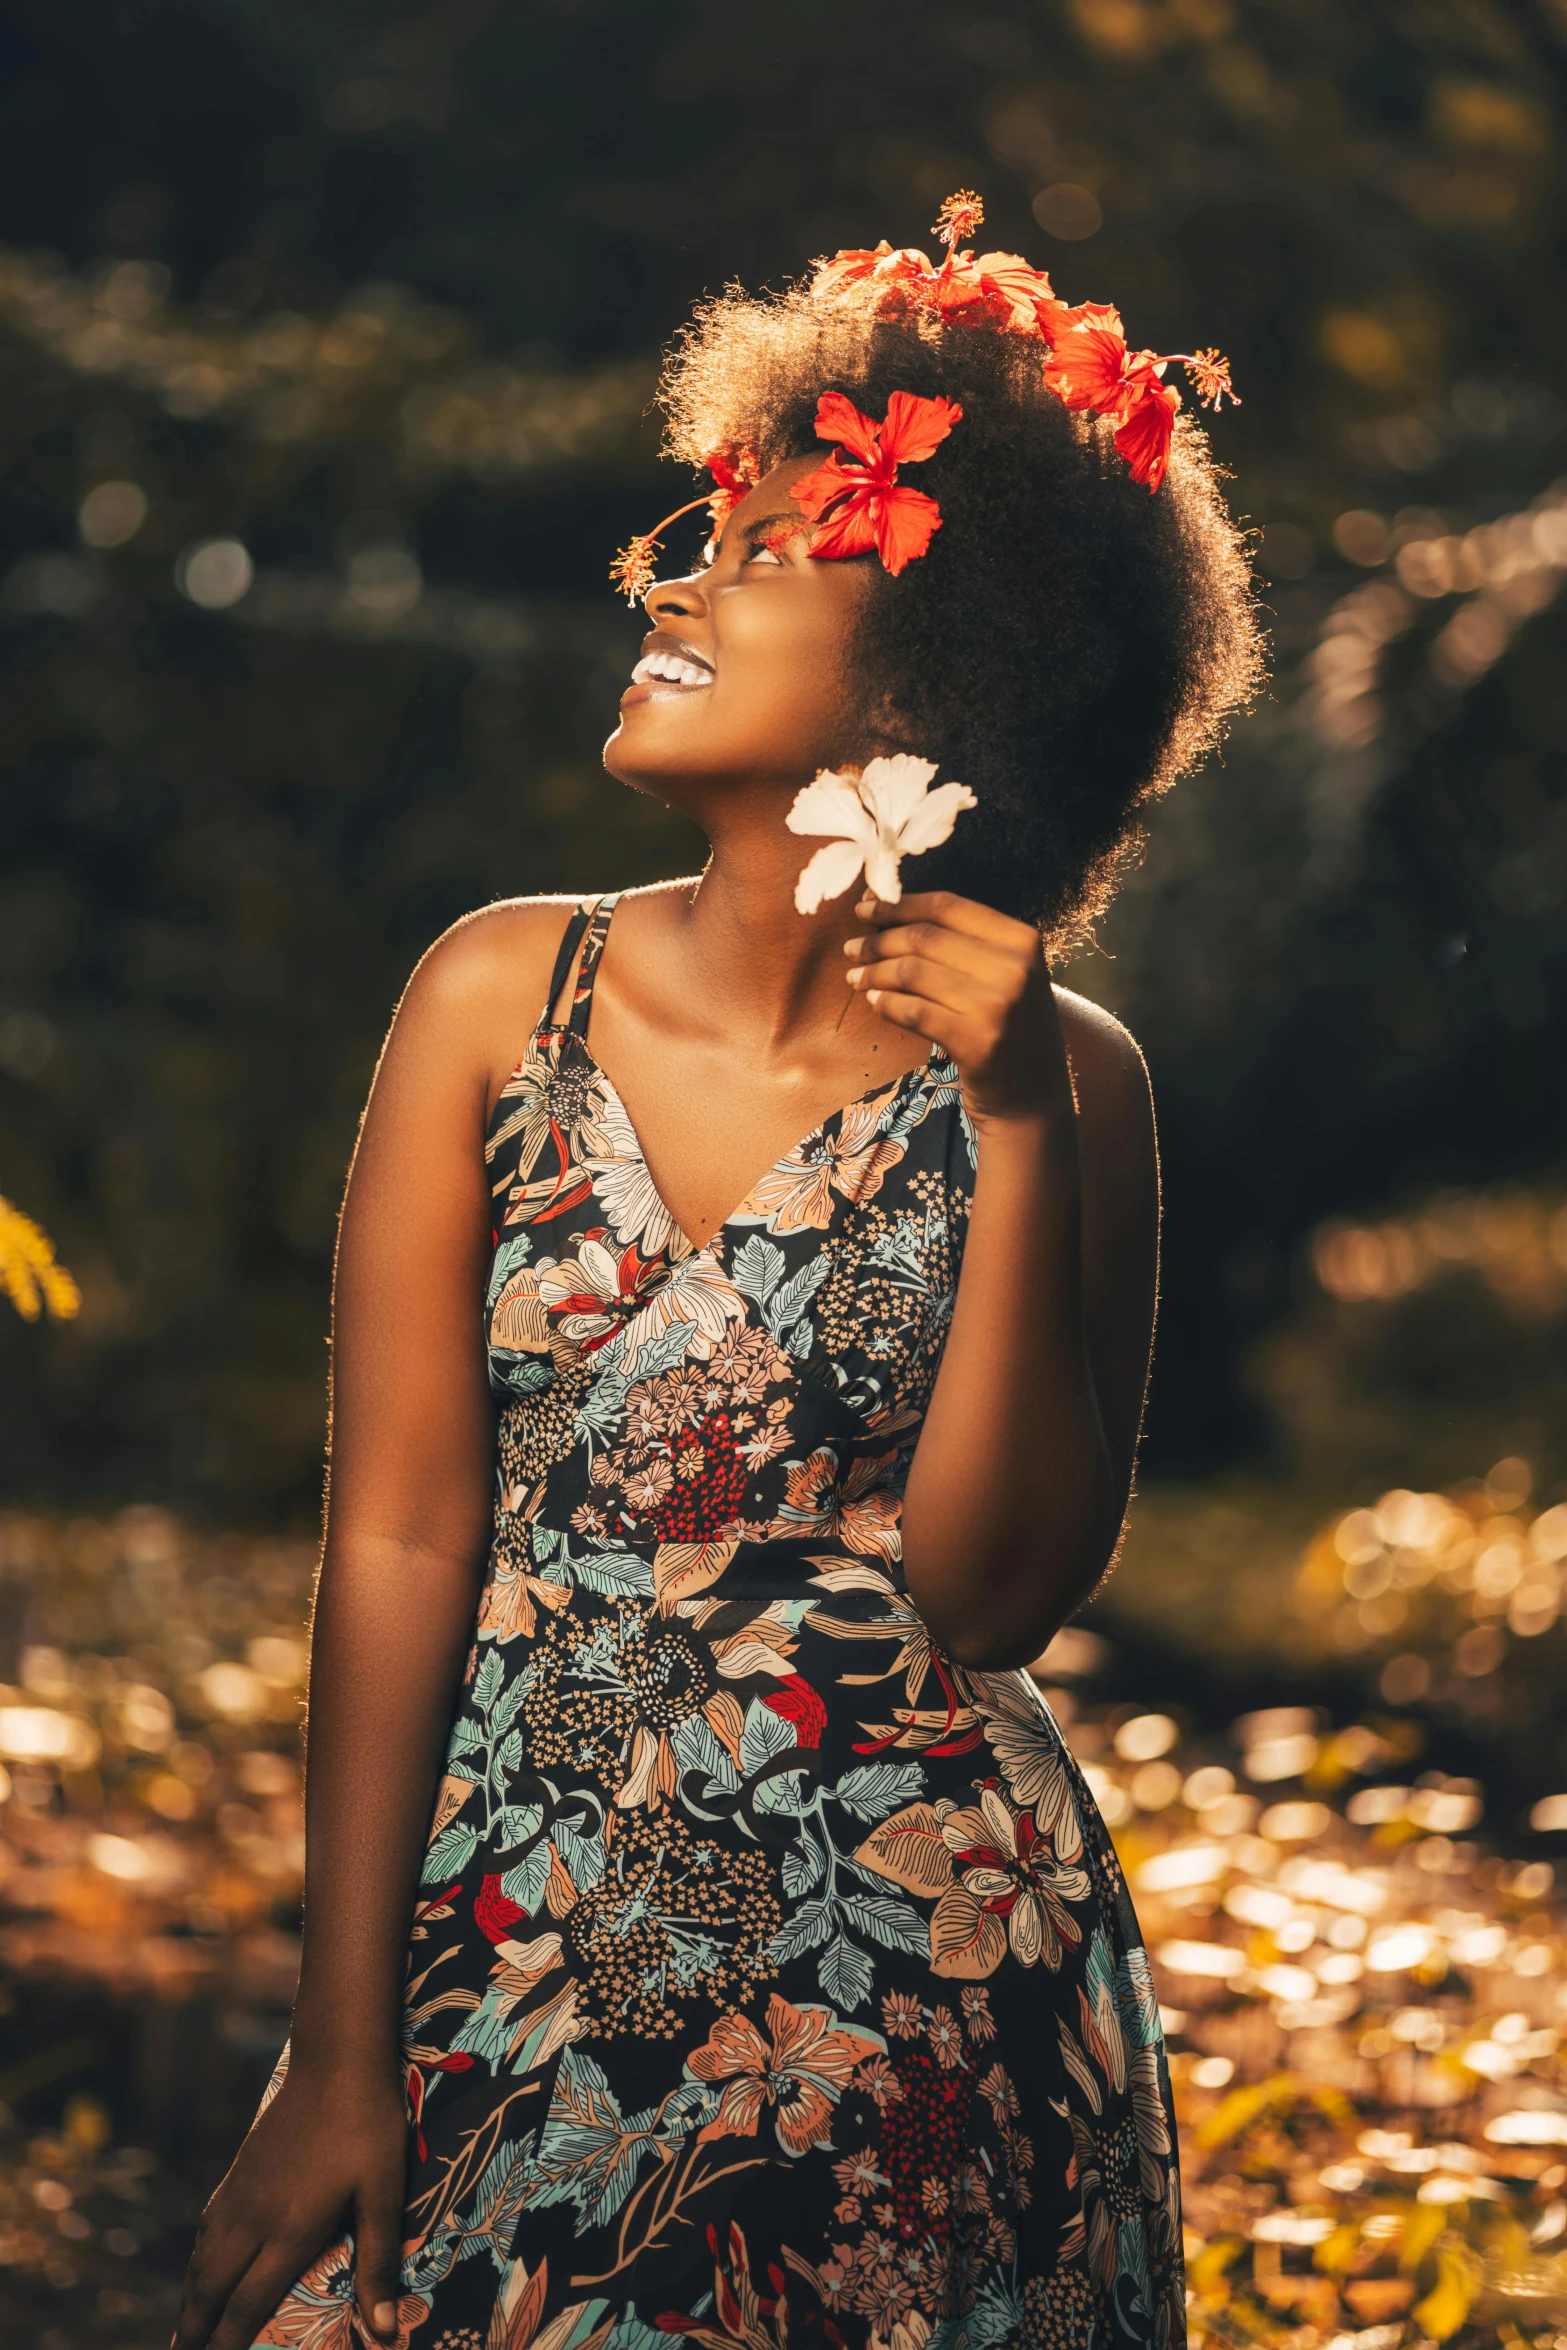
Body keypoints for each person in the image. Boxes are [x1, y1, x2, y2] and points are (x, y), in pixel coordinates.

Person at [175, 196, 1259, 2350]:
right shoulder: (500, 991)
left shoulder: (1080, 1086)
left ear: (958, 664)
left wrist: (1022, 1121)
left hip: (906, 1983)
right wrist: (338, 2034)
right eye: (706, 523)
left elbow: (990, 1595)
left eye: (768, 548)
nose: (674, 574)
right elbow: (397, 1527)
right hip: (512, 1906)